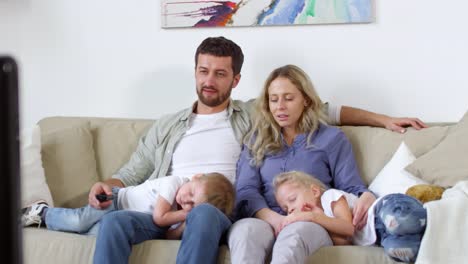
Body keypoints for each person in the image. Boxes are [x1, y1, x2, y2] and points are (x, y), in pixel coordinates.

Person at [88, 36, 427, 264]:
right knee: (115, 222)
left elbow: (328, 111)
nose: (210, 80)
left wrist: (384, 119)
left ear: (235, 80)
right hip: (169, 205)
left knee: (208, 214)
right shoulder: (170, 125)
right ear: (195, 72)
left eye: (220, 73)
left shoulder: (253, 115)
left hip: (215, 209)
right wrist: (108, 185)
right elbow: (133, 171)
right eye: (204, 71)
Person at [229, 64, 379, 264]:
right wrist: (276, 220)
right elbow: (246, 190)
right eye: (273, 100)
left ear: (306, 100)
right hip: (264, 218)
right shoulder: (256, 140)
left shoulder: (331, 138)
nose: (280, 106)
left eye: (289, 98)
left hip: (310, 220)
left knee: (294, 235)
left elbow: (350, 187)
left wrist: (367, 195)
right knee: (245, 232)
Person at [21, 172, 235, 241]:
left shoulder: (180, 211)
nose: (185, 202)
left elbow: (169, 236)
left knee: (93, 234)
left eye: (192, 205)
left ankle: (44, 220)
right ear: (195, 177)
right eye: (190, 194)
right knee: (79, 221)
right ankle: (42, 211)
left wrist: (186, 224)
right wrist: (186, 213)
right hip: (114, 200)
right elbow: (159, 218)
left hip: (121, 219)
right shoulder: (174, 183)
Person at [274, 170, 427, 262]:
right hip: (381, 237)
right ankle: (417, 234)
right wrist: (319, 219)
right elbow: (344, 242)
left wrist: (313, 217)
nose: (292, 209)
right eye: (286, 209)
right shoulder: (321, 223)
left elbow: (348, 228)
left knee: (400, 219)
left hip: (381, 211)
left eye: (293, 200)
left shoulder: (330, 197)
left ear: (314, 191)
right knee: (398, 249)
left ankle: (418, 215)